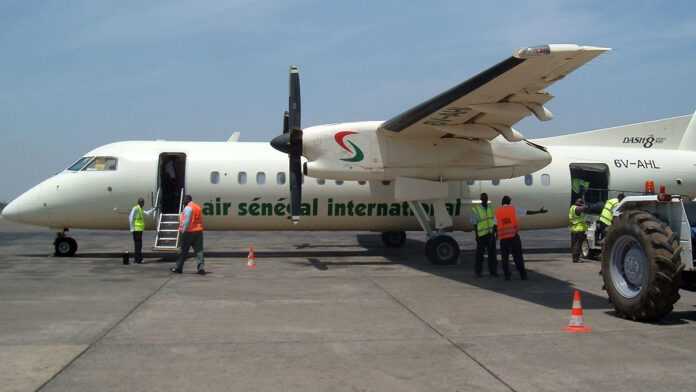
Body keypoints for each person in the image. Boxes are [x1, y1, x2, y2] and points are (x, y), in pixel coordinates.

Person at [495, 196, 547, 280]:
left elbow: (495, 225)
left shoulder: (498, 211)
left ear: (502, 202)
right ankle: (523, 275)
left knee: (505, 258)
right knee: (518, 257)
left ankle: (507, 276)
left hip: (503, 238)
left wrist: (496, 237)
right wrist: (539, 211)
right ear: (509, 202)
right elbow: (527, 212)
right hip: (513, 237)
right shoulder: (513, 209)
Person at [172, 195, 206, 275]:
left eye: (184, 199)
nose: (183, 201)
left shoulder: (188, 208)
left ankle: (178, 267)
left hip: (188, 232)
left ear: (188, 200)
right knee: (199, 250)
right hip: (198, 232)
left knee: (183, 250)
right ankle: (201, 268)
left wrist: (183, 231)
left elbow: (187, 220)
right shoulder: (197, 207)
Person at [471, 193, 497, 277]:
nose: (485, 199)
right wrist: (477, 236)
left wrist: (494, 233)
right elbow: (474, 223)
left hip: (490, 235)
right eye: (483, 198)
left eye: (486, 198)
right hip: (481, 236)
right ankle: (478, 272)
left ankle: (493, 272)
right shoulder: (476, 209)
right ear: (481, 199)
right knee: (479, 256)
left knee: (492, 256)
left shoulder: (490, 209)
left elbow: (494, 222)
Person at [128, 197, 156, 264]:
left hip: (139, 229)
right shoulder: (135, 208)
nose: (143, 204)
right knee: (138, 245)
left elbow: (147, 213)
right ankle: (137, 259)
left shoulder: (140, 209)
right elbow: (130, 217)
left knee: (139, 245)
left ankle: (138, 259)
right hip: (136, 229)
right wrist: (132, 228)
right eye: (142, 202)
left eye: (143, 202)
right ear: (139, 202)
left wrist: (153, 209)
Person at [569, 198, 589, 263]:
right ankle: (576, 259)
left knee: (574, 244)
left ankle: (574, 258)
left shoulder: (572, 207)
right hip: (579, 229)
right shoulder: (578, 209)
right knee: (578, 245)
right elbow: (586, 207)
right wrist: (583, 204)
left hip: (573, 228)